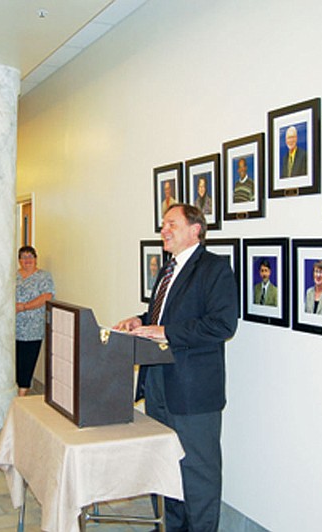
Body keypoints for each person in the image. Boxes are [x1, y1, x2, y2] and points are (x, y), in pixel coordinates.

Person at [115, 204, 238, 531]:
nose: (163, 231)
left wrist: (165, 332)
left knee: (198, 476)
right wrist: (140, 320)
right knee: (166, 469)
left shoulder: (214, 269)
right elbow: (164, 316)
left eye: (171, 224)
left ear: (195, 229)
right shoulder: (168, 269)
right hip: (158, 385)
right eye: (162, 225)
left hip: (193, 392)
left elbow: (222, 325)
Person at [14, 246, 55, 396]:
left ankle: (22, 393)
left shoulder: (43, 276)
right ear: (19, 260)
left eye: (31, 256)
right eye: (24, 257)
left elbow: (47, 296)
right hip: (13, 327)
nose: (27, 260)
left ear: (36, 259)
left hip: (33, 327)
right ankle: (15, 389)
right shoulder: (14, 276)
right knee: (15, 360)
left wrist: (24, 307)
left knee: (28, 360)